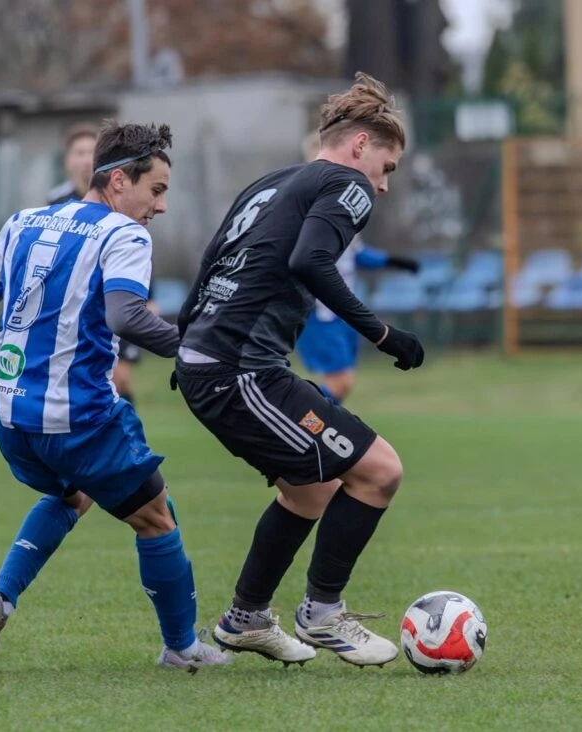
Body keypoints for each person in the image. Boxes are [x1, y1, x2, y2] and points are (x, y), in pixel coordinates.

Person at [0, 120, 229, 672]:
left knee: (72, 495)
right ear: (119, 180)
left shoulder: (24, 221)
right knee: (157, 518)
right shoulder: (124, 234)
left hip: (14, 423)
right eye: (156, 190)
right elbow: (126, 316)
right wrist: (199, 350)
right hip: (80, 419)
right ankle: (181, 648)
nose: (161, 206)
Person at [173, 73, 424, 668]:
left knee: (311, 491)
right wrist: (383, 334)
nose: (383, 185)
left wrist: (189, 340)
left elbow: (212, 258)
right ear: (359, 144)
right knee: (381, 471)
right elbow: (310, 259)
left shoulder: (272, 182)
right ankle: (323, 611)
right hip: (241, 372)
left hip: (215, 363)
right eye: (386, 167)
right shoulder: (347, 183)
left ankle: (246, 619)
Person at [295, 132, 420, 405]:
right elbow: (304, 259)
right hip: (320, 312)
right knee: (340, 383)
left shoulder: (342, 203)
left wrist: (393, 261)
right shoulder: (308, 206)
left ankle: (306, 421)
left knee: (342, 385)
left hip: (342, 311)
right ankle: (293, 417)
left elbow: (356, 253)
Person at [49, 123, 148, 405]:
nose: (85, 159)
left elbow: (136, 248)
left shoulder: (122, 201)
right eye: (79, 152)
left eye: (91, 152)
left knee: (121, 378)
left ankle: (121, 424)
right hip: (76, 305)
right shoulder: (56, 202)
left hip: (115, 298)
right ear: (68, 160)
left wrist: (147, 295)